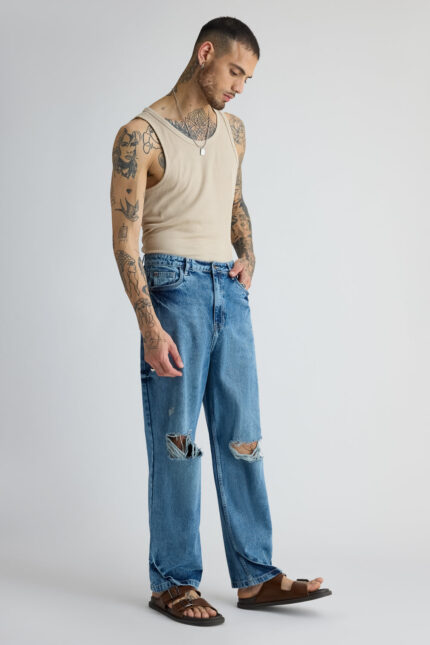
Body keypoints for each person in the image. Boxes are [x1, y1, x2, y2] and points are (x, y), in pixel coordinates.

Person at [110, 16, 332, 627]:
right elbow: (125, 239)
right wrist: (149, 327)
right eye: (235, 71)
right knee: (178, 443)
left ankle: (255, 576)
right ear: (205, 54)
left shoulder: (234, 130)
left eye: (247, 79)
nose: (239, 86)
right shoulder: (140, 136)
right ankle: (173, 581)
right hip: (173, 290)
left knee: (244, 437)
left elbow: (235, 201)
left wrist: (249, 254)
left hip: (228, 296)